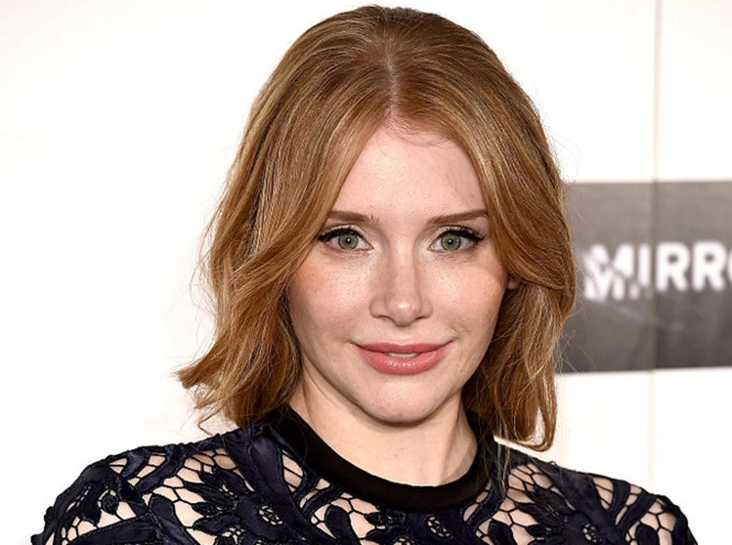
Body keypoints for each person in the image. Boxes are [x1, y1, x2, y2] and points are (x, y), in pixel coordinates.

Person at [33, 6, 695, 545]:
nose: (403, 302)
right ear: (274, 255)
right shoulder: (143, 521)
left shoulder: (637, 531)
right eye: (346, 238)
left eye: (454, 239)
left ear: (518, 258)